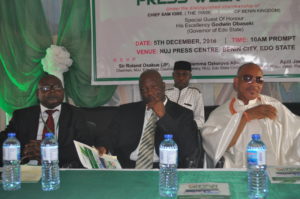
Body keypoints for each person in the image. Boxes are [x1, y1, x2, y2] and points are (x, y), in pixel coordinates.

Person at [96, 70, 201, 168]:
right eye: (144, 89)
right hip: (126, 168)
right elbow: (109, 135)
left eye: (154, 87)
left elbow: (188, 148)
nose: (149, 93)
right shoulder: (126, 111)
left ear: (163, 86)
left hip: (163, 169)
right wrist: (103, 147)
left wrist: (164, 117)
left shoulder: (183, 114)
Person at [202, 63, 300, 168]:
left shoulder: (273, 106)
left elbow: (296, 129)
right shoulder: (221, 113)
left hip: (275, 171)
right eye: (248, 78)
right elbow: (216, 146)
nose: (254, 84)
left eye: (259, 80)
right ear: (236, 82)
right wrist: (245, 117)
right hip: (239, 172)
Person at [0, 74, 93, 168]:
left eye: (57, 87)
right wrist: (26, 150)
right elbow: (6, 140)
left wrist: (48, 151)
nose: (52, 91)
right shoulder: (21, 116)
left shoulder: (76, 114)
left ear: (63, 92)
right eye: (45, 88)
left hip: (61, 167)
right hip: (27, 168)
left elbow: (84, 146)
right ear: (37, 93)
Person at [166, 61, 204, 129]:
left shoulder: (195, 93)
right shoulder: (165, 94)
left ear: (190, 76)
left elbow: (200, 121)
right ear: (173, 75)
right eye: (178, 74)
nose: (181, 78)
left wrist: (185, 125)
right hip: (168, 132)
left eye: (184, 74)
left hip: (187, 132)